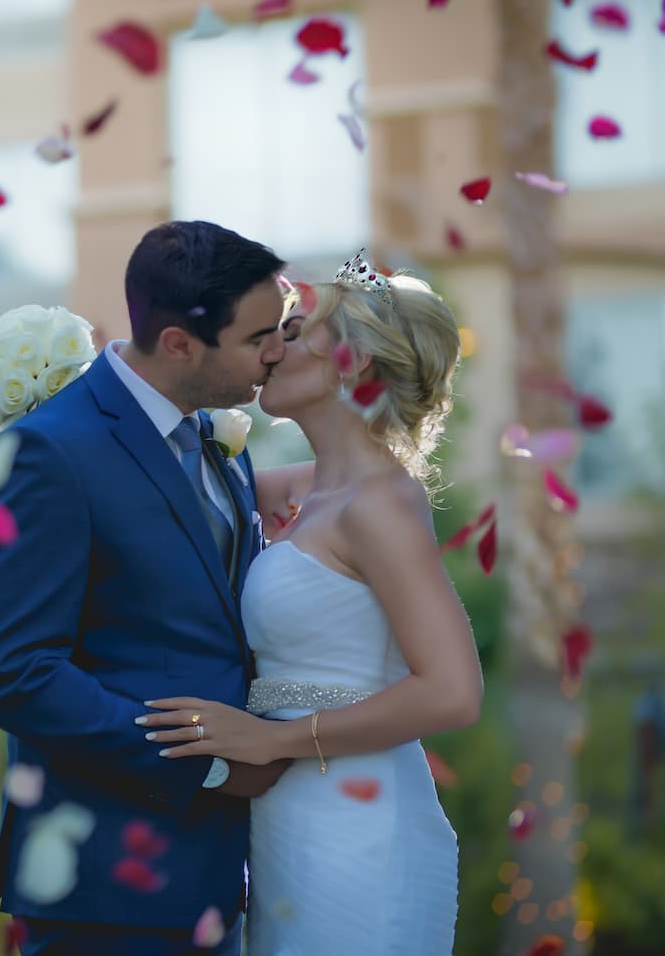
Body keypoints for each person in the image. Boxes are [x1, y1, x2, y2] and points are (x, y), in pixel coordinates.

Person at [0, 220, 293, 955]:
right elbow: (5, 671)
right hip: (107, 884)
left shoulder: (214, 434)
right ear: (179, 343)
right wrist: (202, 759)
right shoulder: (49, 450)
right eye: (257, 336)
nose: (278, 350)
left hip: (214, 876)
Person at [140, 250, 482, 955]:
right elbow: (167, 487)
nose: (271, 348)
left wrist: (272, 739)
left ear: (351, 361)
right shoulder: (312, 491)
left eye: (292, 333)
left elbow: (453, 692)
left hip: (357, 825)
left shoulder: (379, 503)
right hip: (291, 820)